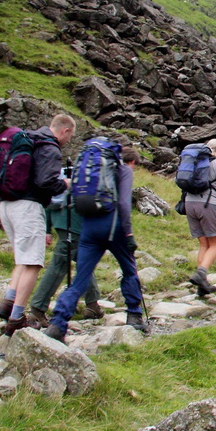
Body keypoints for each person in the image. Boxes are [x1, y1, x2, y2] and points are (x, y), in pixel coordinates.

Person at [46, 146, 143, 342]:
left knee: (81, 278)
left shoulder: (89, 171)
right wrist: (129, 232)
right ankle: (134, 315)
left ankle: (58, 322)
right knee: (129, 269)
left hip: (89, 226)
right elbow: (124, 203)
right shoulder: (123, 171)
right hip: (113, 225)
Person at [0, 114, 75, 336]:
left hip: (7, 205)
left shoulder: (31, 140)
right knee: (32, 263)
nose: (68, 141)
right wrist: (65, 183)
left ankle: (8, 302)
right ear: (65, 131)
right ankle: (16, 317)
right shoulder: (50, 147)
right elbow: (46, 182)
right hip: (28, 207)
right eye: (70, 136)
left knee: (22, 258)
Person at [26, 177, 103, 328]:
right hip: (75, 224)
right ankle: (38, 308)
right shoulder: (89, 174)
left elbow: (48, 199)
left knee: (84, 261)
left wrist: (47, 228)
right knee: (59, 265)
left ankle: (92, 305)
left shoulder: (62, 175)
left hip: (60, 220)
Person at [184, 138, 216, 297]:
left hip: (189, 203)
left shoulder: (194, 161)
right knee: (215, 243)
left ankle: (202, 285)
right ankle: (201, 273)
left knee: (204, 244)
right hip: (207, 205)